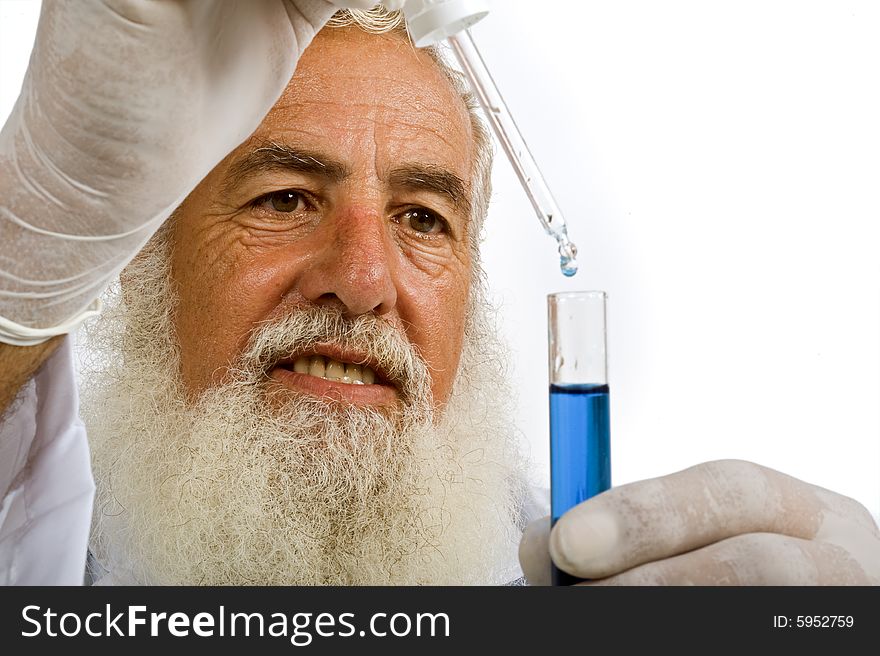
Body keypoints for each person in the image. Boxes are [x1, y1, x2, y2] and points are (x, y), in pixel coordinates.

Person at [1, 1, 878, 586]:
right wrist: (26, 260)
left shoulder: (586, 575)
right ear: (148, 265)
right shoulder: (39, 555)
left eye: (422, 219)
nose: (365, 280)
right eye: (285, 200)